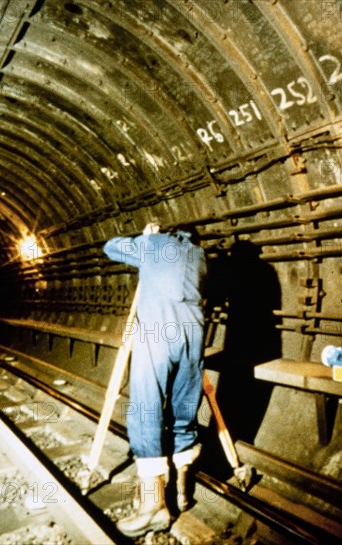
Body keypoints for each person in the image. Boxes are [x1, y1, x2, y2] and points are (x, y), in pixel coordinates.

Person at [103, 222, 207, 537]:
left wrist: (146, 237)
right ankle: (182, 493)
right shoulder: (201, 256)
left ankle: (152, 507)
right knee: (183, 412)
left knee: (146, 413)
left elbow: (111, 246)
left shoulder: (155, 244)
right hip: (193, 336)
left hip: (158, 334)